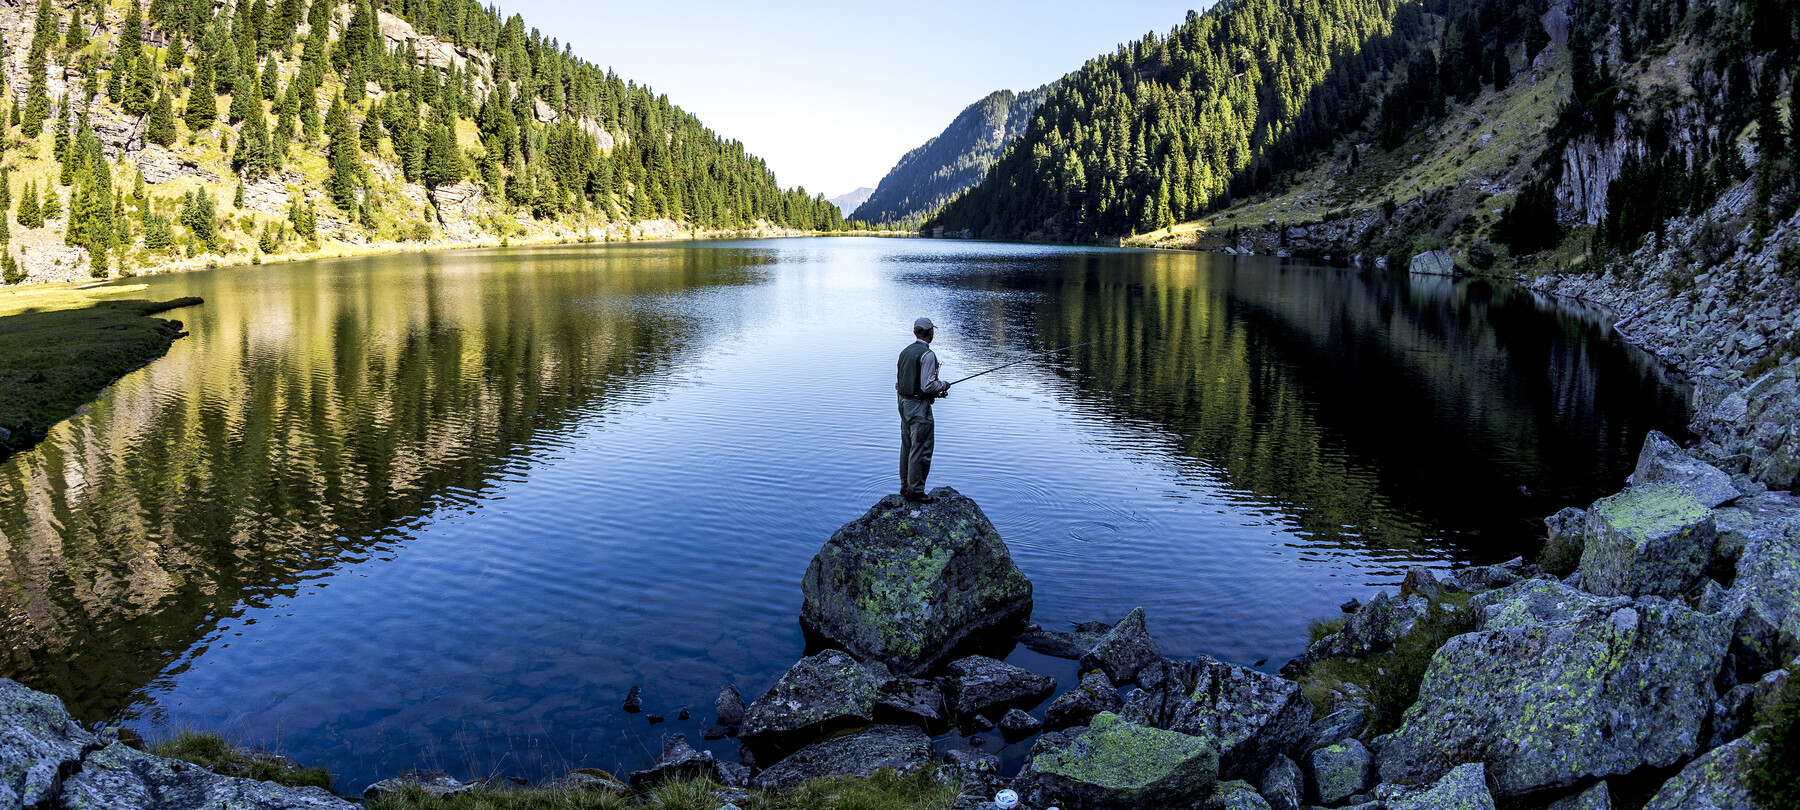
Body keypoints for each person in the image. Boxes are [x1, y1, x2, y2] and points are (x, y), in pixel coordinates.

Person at [897, 317, 950, 502]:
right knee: (921, 448)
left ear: (915, 332)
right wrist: (944, 384)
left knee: (907, 446)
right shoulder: (927, 355)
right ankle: (916, 491)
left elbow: (899, 382)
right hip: (919, 408)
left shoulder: (905, 352)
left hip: (903, 404)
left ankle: (905, 486)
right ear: (930, 332)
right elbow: (928, 386)